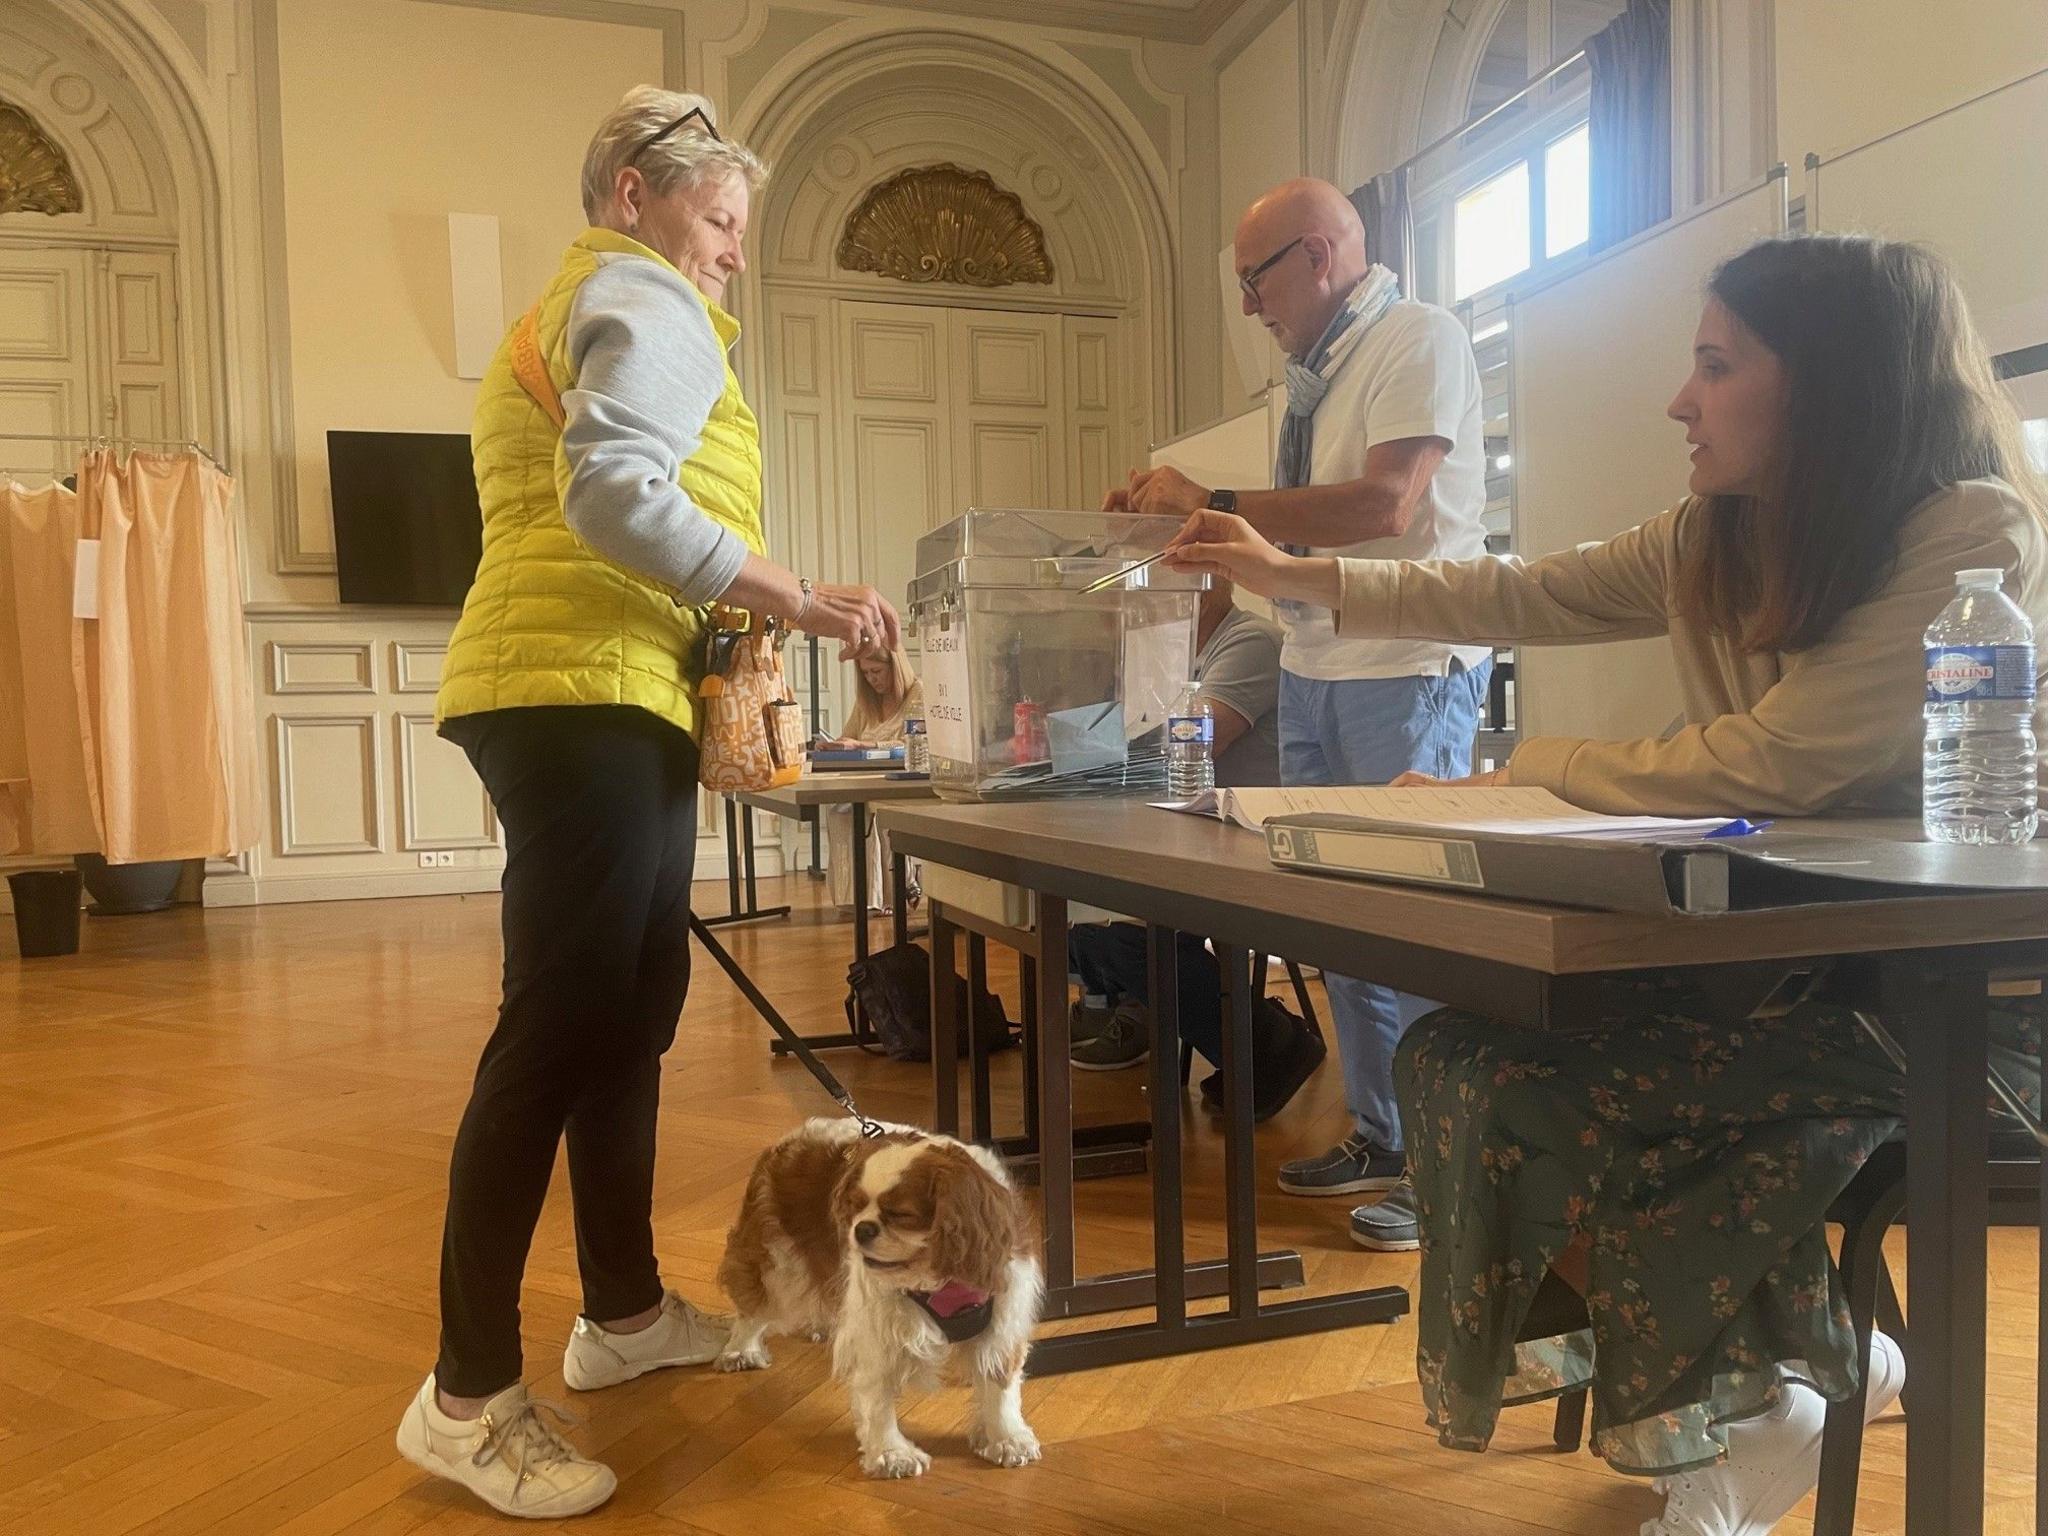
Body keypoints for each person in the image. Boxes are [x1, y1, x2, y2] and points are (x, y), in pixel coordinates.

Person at [1164, 232, 2047, 1536]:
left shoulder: (1972, 534)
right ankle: (1787, 1387)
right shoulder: (1728, 531)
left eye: (1715, 364)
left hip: (1955, 1014)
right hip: (1793, 981)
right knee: (1465, 1062)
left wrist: (1527, 768)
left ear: (1831, 385)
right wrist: (1289, 575)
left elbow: (1781, 763)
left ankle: (1755, 1418)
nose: (1678, 399)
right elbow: (1523, 589)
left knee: (1556, 1092)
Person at [400, 87, 899, 1521]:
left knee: (633, 1006)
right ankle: (463, 1395)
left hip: (590, 686)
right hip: (578, 698)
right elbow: (617, 493)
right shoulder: (642, 295)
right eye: (723, 219)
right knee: (557, 1032)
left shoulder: (591, 301)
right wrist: (792, 594)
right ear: (634, 194)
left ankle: (620, 1314)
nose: (735, 252)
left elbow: (616, 504)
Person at [1106, 177, 1490, 1251]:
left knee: (1410, 927)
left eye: (1252, 279)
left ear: (1317, 256)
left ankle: (1450, 1171)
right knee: (1342, 927)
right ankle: (1380, 1133)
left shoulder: (1418, 336)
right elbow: (1285, 545)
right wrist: (1183, 530)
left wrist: (1213, 509)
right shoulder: (1313, 380)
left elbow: (1385, 506)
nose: (1245, 306)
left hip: (1404, 663)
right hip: (1319, 661)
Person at [1064, 578, 1324, 1119]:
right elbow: (1131, 730)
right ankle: (1138, 1013)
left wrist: (1074, 741)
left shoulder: (1249, 641)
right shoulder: (1169, 653)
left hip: (1246, 844)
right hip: (1187, 837)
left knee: (1126, 943)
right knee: (1077, 928)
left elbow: (1194, 738)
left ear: (1208, 587)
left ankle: (1269, 1047)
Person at [825, 643, 922, 912]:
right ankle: (860, 897)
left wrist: (866, 747)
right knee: (840, 811)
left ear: (895, 665)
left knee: (871, 811)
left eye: (876, 671)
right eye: (866, 673)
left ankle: (890, 893)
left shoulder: (919, 694)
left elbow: (914, 744)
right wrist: (834, 746)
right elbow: (849, 737)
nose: (871, 679)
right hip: (865, 782)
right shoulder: (866, 702)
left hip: (902, 783)